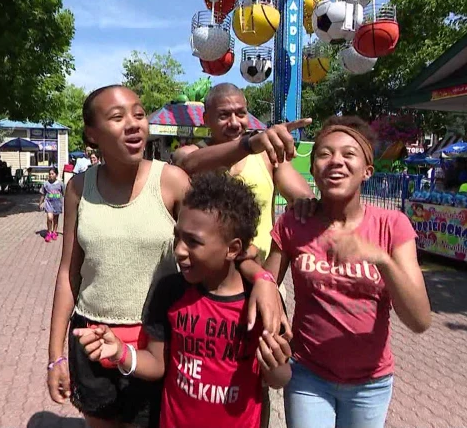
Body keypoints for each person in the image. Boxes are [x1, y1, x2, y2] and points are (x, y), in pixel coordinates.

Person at [47, 85, 285, 428]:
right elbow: (69, 273)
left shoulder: (172, 181)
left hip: (152, 343)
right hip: (91, 338)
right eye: (117, 117)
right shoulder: (78, 188)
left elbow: (221, 243)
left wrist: (261, 278)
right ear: (93, 134)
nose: (133, 124)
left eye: (139, 114)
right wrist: (55, 356)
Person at [73, 172, 292, 428]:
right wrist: (122, 353)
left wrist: (276, 365)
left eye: (193, 241)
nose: (179, 249)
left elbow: (278, 379)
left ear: (232, 249)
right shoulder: (170, 291)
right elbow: (157, 364)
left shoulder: (261, 303)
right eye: (178, 236)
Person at [263, 116, 431, 428]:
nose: (336, 161)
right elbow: (265, 285)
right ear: (313, 170)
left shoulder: (392, 226)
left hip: (371, 383)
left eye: (348, 154)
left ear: (367, 171)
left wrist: (381, 259)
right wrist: (275, 317)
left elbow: (420, 320)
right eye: (324, 154)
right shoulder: (293, 224)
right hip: (308, 376)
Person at [173, 83, 316, 261]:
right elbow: (188, 163)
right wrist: (248, 144)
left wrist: (304, 204)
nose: (234, 123)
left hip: (261, 278)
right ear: (206, 119)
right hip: (203, 281)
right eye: (224, 115)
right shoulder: (189, 153)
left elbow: (303, 196)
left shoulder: (267, 155)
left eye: (241, 114)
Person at [39, 167, 65, 242]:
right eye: (49, 174)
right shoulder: (46, 184)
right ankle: (49, 232)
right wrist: (40, 203)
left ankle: (54, 232)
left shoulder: (60, 184)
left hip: (57, 204)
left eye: (52, 174)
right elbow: (43, 194)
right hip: (48, 203)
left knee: (55, 219)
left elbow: (64, 193)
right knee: (49, 218)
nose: (50, 175)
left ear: (56, 175)